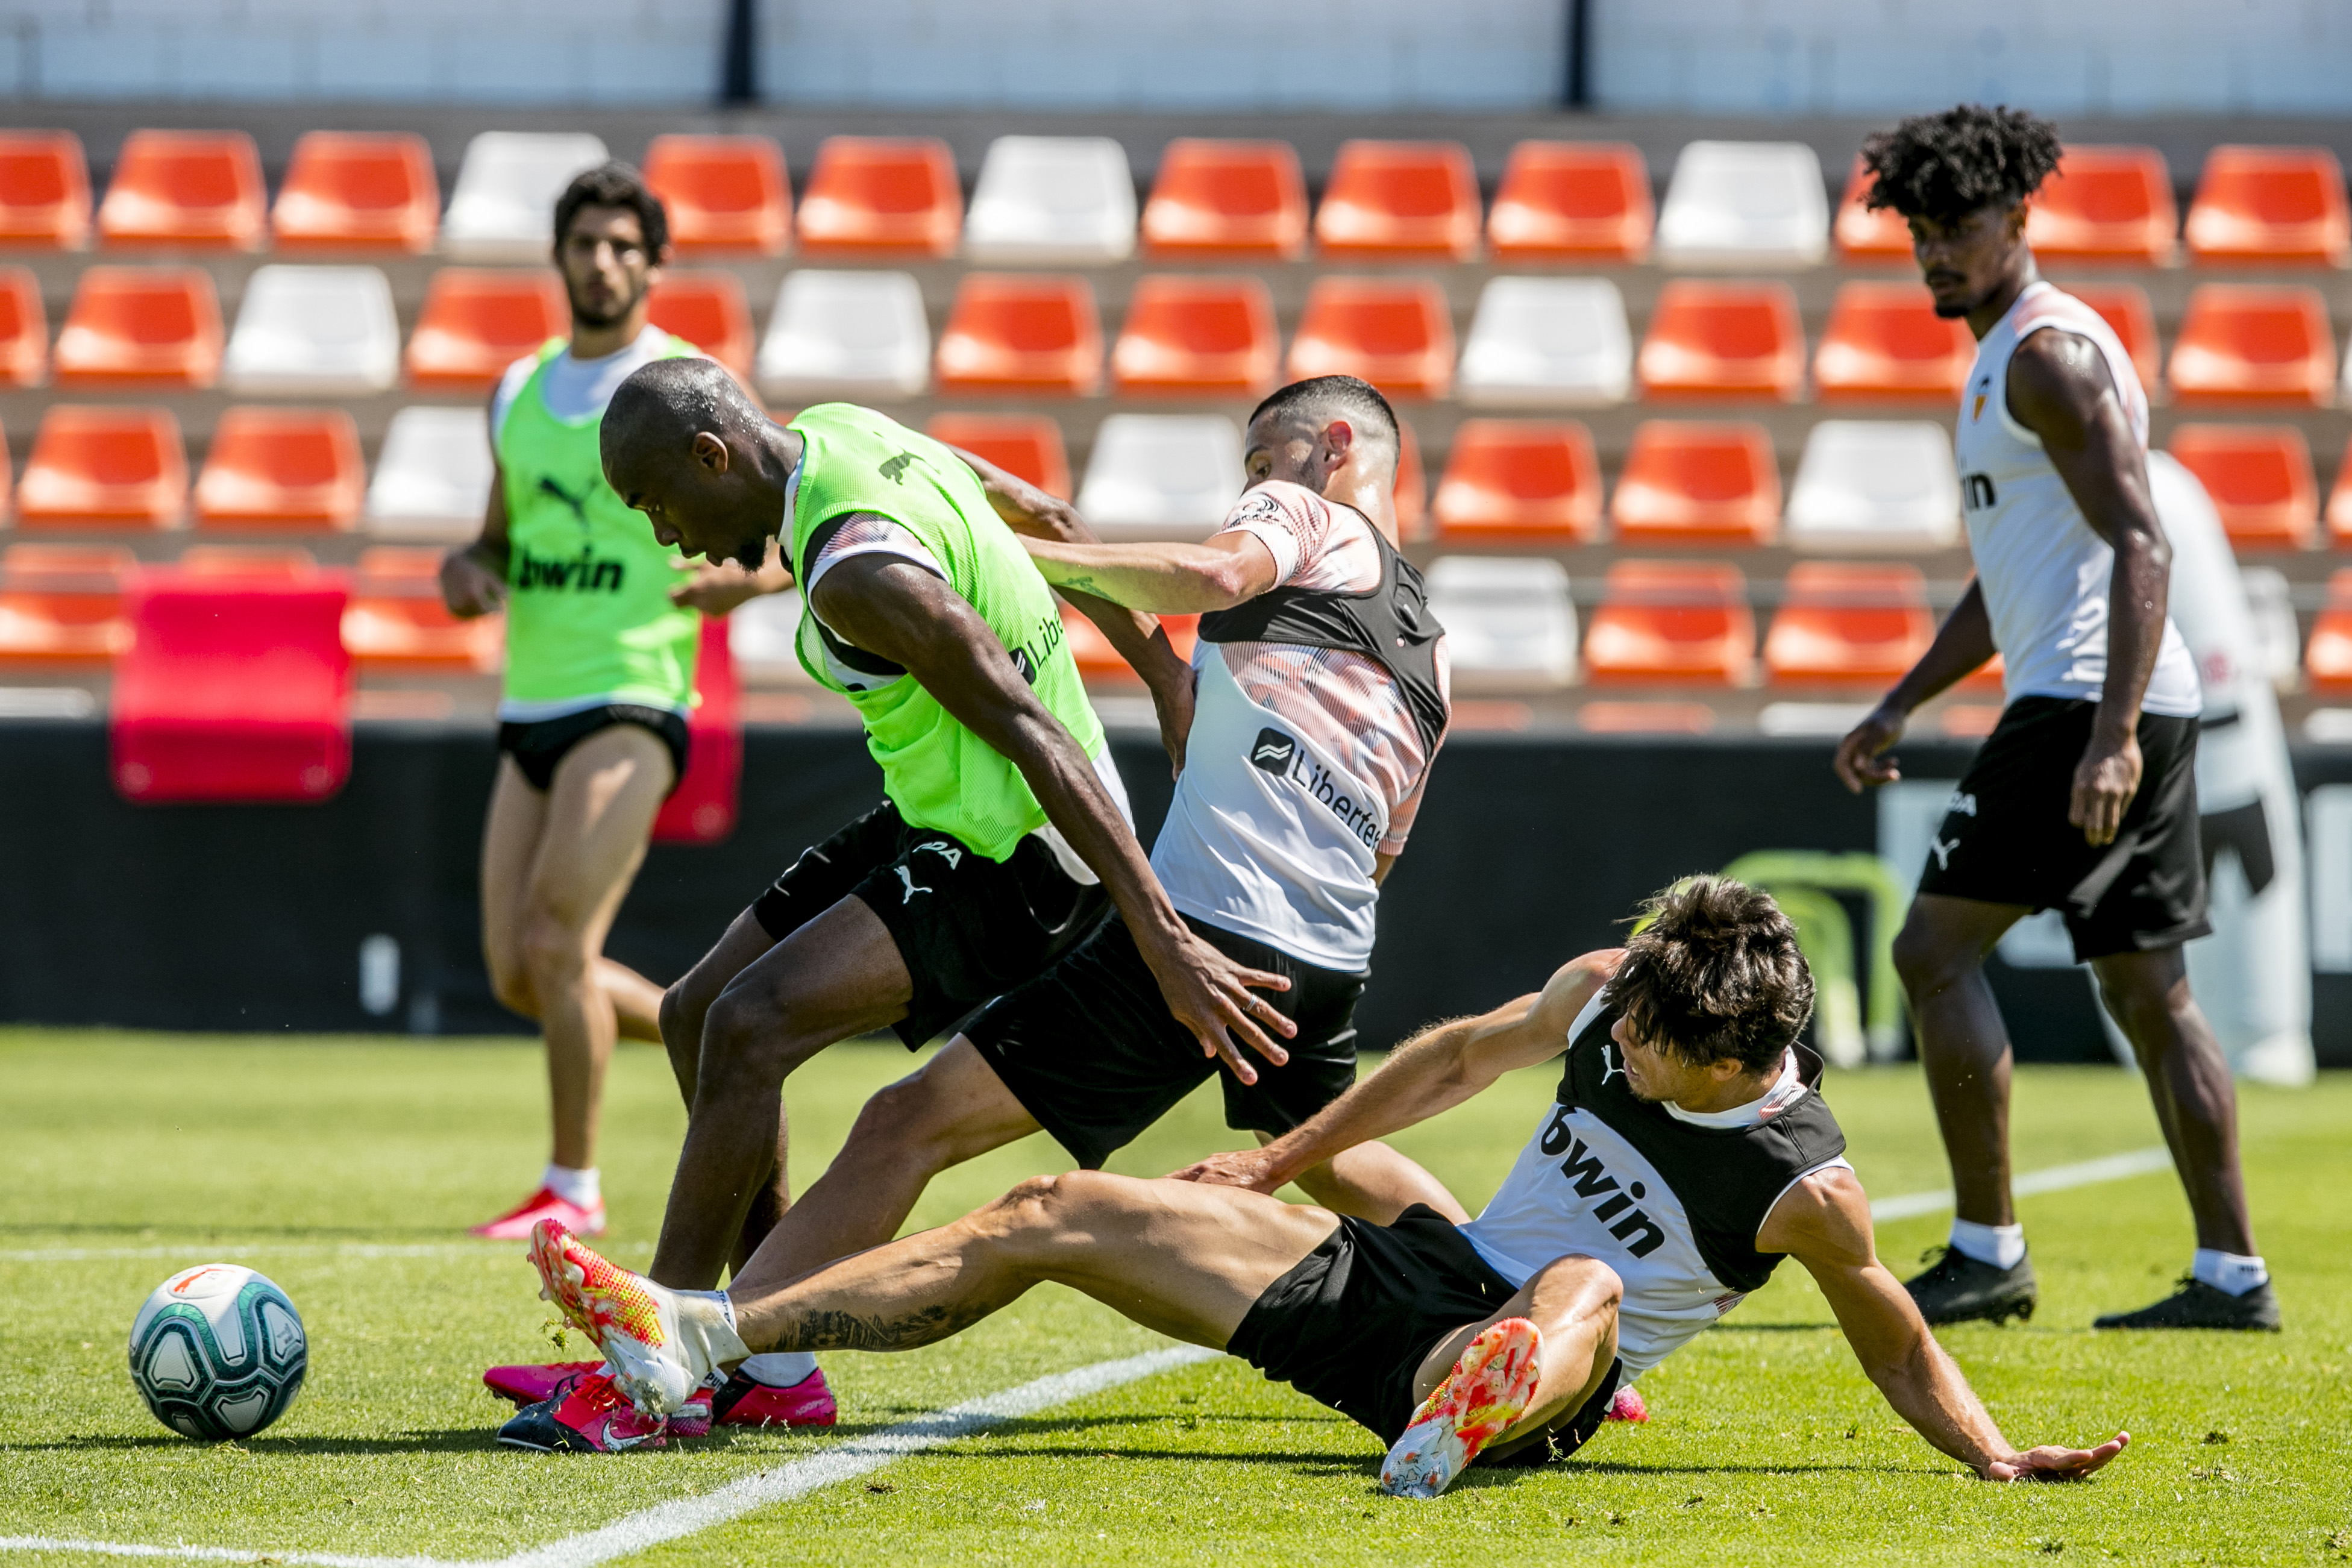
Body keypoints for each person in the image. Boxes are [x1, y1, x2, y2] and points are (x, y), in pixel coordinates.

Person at [522, 878, 2130, 1496]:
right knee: (1052, 1213)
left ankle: (1488, 1412)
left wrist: (1993, 1453)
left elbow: (1895, 1331)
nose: (1617, 1042)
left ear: (1737, 1059)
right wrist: (1286, 1159)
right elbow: (1447, 1058)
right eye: (1622, 1016)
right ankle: (706, 1341)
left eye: (1650, 1048)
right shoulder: (1614, 985)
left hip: (1514, 1367)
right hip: (1413, 1292)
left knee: (1582, 1294)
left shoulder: (1806, 1186)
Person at [489, 364, 1293, 1449]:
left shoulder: (856, 575)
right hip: (941, 810)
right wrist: (1156, 673)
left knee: (749, 1024)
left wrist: (1161, 935)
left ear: (712, 457)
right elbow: (1037, 519)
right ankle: (762, 1358)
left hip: (1021, 850)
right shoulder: (839, 433)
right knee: (696, 1011)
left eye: (662, 508)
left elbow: (1028, 724)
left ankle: (650, 1366)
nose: (673, 542)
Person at [1831, 105, 2275, 1332]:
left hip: (2088, 699)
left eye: (1958, 227)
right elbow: (2009, 582)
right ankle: (2231, 1276)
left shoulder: (2043, 355)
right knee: (2150, 994)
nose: (1935, 252)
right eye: (1919, 231)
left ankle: (1985, 1250)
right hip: (2103, 694)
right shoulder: (2002, 361)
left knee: (1928, 952)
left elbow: (2144, 538)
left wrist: (2113, 731)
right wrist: (1900, 700)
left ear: (2017, 218)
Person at [440, 163, 777, 1245]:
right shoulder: (516, 391)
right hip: (530, 701)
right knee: (519, 967)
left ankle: (571, 1185)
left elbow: (787, 525)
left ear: (653, 261)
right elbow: (490, 539)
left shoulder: (688, 384)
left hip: (635, 692)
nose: (603, 260)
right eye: (586, 241)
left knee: (555, 937)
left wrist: (748, 578)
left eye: (625, 244)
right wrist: (467, 571)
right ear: (560, 255)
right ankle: (712, 1024)